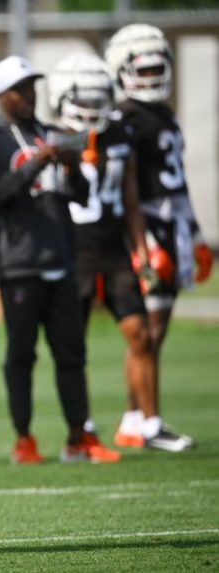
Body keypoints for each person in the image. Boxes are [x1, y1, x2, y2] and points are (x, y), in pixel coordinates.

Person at [0, 55, 120, 464]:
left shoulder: (50, 133)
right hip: (18, 263)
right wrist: (36, 163)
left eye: (33, 87)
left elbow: (82, 198)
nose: (29, 95)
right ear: (2, 95)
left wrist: (71, 169)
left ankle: (78, 437)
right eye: (21, 89)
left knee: (72, 353)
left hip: (61, 256)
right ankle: (24, 439)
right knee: (22, 355)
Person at [47, 53, 193, 453]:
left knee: (141, 335)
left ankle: (149, 424)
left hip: (113, 249)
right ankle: (82, 430)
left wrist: (142, 249)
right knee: (73, 347)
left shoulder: (118, 134)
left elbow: (130, 198)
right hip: (73, 250)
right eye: (85, 98)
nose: (94, 107)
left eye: (100, 98)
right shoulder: (53, 138)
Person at [105, 23, 211, 448]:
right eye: (141, 70)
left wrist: (196, 233)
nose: (150, 78)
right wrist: (141, 243)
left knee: (158, 329)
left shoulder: (164, 113)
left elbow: (178, 181)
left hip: (172, 226)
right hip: (144, 227)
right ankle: (145, 421)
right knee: (146, 330)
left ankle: (135, 417)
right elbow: (126, 188)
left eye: (156, 69)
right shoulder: (123, 117)